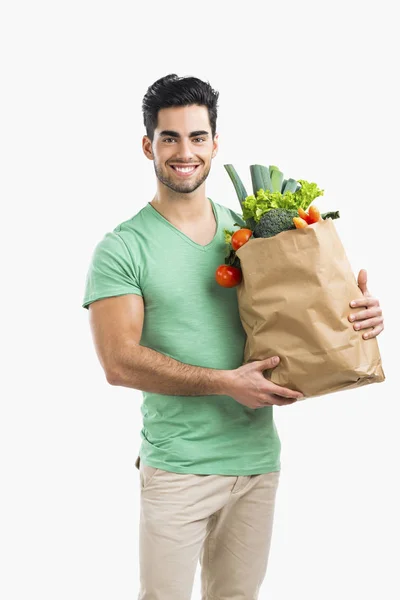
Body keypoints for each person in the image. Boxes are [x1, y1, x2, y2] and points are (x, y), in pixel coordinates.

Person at [82, 74, 384, 599]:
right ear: (148, 144)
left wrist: (354, 318)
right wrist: (225, 382)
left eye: (197, 137)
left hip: (256, 462)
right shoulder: (123, 248)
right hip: (179, 469)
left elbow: (294, 326)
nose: (184, 152)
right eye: (170, 137)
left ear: (215, 145)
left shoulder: (250, 235)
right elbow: (119, 361)